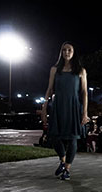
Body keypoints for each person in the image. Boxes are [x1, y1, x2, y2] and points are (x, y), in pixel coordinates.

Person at [41, 41, 90, 180]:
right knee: (55, 136)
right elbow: (49, 90)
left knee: (72, 139)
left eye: (69, 50)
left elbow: (85, 92)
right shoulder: (54, 69)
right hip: (58, 106)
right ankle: (62, 161)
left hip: (74, 106)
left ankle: (67, 169)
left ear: (73, 53)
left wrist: (85, 113)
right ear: (61, 52)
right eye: (64, 50)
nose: (66, 52)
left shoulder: (81, 70)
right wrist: (44, 108)